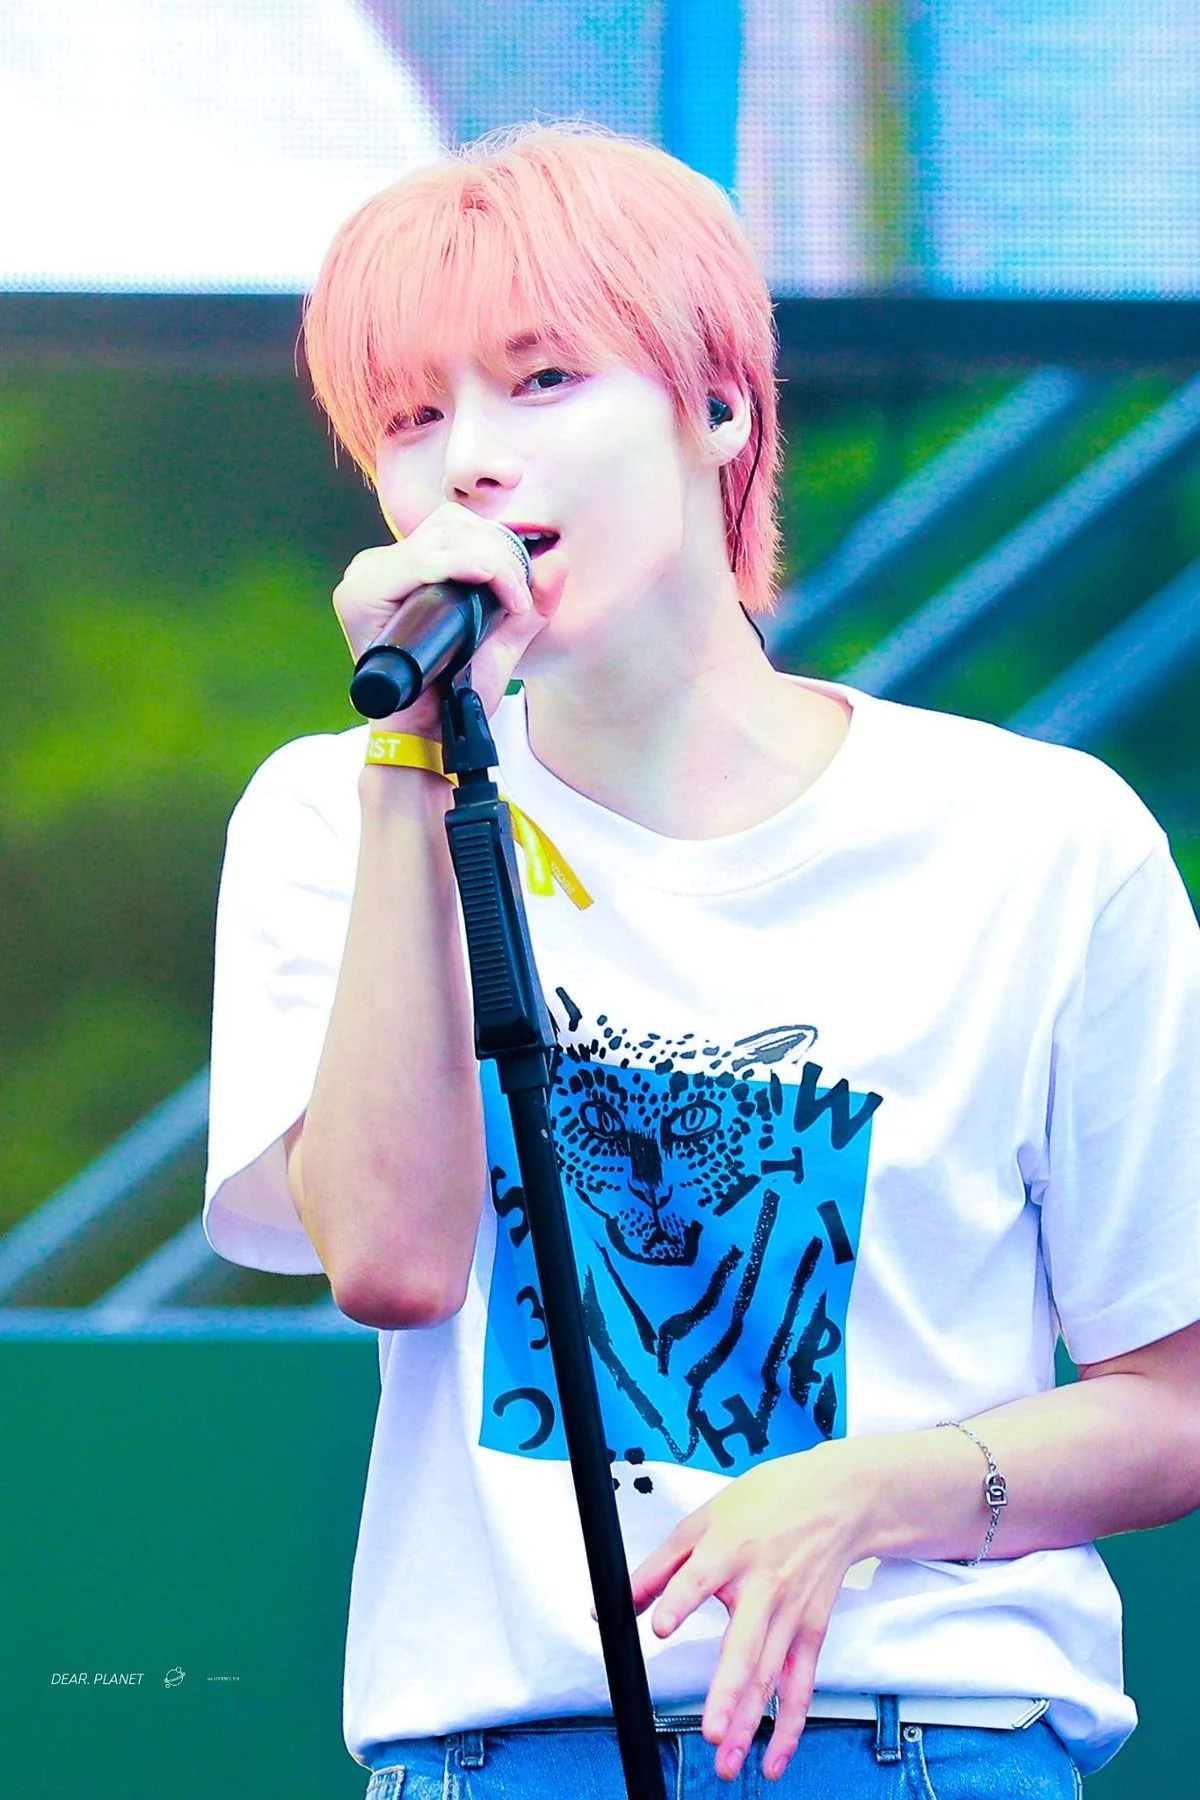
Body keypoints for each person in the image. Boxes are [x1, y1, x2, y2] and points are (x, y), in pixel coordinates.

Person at [202, 122, 1200, 1798]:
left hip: (921, 1743)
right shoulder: (338, 813)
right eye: (415, 417)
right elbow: (390, 1260)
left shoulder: (1037, 838)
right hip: (498, 1758)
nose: (474, 463)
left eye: (542, 381)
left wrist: (870, 1492)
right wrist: (414, 763)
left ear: (718, 407)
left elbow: (1173, 1400)